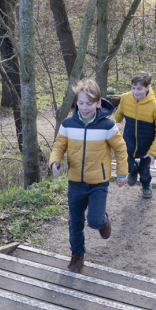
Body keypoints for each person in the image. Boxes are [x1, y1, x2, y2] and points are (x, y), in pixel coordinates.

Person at [49, 79, 128, 273]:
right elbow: (59, 145)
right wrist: (55, 161)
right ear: (76, 102)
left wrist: (122, 173)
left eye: (89, 103)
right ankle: (77, 256)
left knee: (94, 220)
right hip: (75, 181)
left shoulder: (107, 126)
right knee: (75, 222)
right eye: (81, 103)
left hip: (98, 183)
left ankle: (103, 220)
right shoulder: (68, 124)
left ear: (98, 103)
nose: (84, 108)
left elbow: (120, 149)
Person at [115, 71, 156, 199]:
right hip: (128, 143)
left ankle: (146, 184)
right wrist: (118, 118)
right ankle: (133, 170)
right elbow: (119, 113)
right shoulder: (125, 98)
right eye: (133, 88)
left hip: (146, 147)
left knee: (144, 173)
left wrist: (153, 153)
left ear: (147, 87)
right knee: (127, 166)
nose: (136, 92)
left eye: (139, 89)